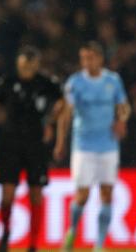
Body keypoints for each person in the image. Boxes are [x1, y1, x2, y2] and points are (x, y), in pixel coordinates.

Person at [0, 46, 65, 252]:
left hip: (35, 144)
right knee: (7, 194)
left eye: (30, 66)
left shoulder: (46, 83)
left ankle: (33, 244)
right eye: (23, 66)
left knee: (36, 194)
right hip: (10, 143)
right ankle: (5, 233)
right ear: (18, 65)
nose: (26, 70)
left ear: (37, 65)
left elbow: (63, 103)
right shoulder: (8, 82)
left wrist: (50, 121)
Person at [55, 41, 130, 252]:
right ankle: (72, 230)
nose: (86, 63)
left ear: (100, 58)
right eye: (83, 59)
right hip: (83, 146)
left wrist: (122, 120)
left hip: (108, 145)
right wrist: (61, 141)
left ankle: (99, 244)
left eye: (90, 58)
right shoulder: (75, 83)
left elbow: (123, 106)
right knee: (83, 195)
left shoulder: (113, 81)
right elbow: (66, 113)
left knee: (107, 193)